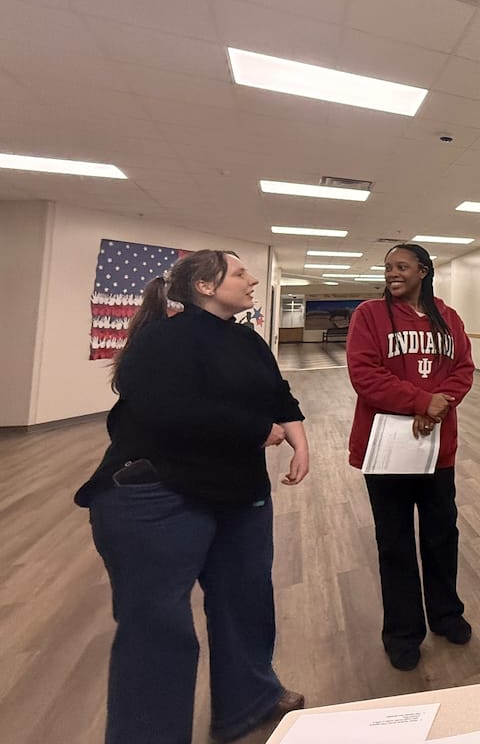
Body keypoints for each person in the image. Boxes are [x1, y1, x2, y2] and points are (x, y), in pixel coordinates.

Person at [75, 250, 309, 744]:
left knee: (246, 600)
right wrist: (256, 430)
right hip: (158, 496)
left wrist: (298, 438)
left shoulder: (246, 339)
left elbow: (277, 392)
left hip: (238, 492)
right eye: (240, 273)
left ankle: (250, 702)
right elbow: (169, 410)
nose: (252, 280)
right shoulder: (160, 340)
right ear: (205, 286)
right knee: (157, 627)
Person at [346, 243, 475, 671]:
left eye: (401, 267)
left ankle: (446, 614)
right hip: (387, 452)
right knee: (395, 543)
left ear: (423, 271)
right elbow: (364, 374)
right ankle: (402, 633)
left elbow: (463, 369)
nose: (392, 274)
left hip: (437, 450)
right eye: (387, 268)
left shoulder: (448, 318)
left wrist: (438, 405)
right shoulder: (369, 315)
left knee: (442, 536)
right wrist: (421, 401)